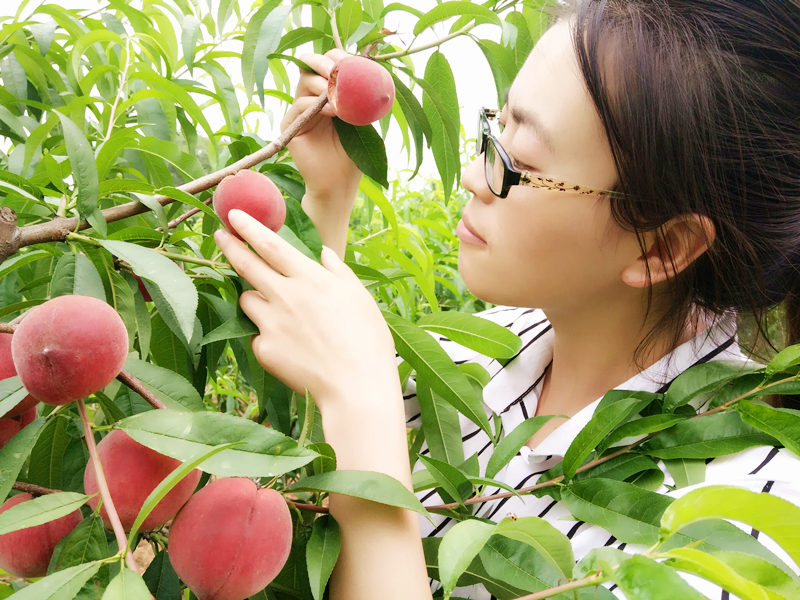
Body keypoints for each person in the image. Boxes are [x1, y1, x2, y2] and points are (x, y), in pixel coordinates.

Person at [213, 1, 800, 598]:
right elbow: (306, 450)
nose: (472, 175)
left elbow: (355, 442)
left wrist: (366, 418)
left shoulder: (750, 525)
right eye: (496, 132)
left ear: (662, 248)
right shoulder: (486, 351)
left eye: (519, 164)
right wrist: (327, 202)